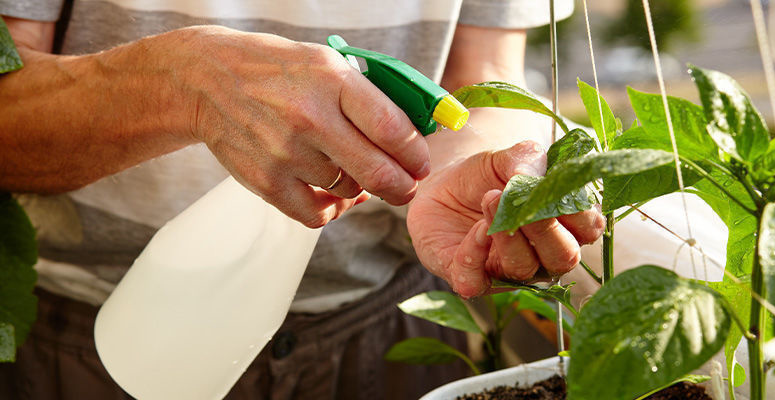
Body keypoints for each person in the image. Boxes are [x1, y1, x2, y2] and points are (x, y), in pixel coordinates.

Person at [0, 0, 603, 399]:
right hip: (94, 343)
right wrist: (180, 83)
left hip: (385, 330)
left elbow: (483, 80)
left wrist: (483, 169)